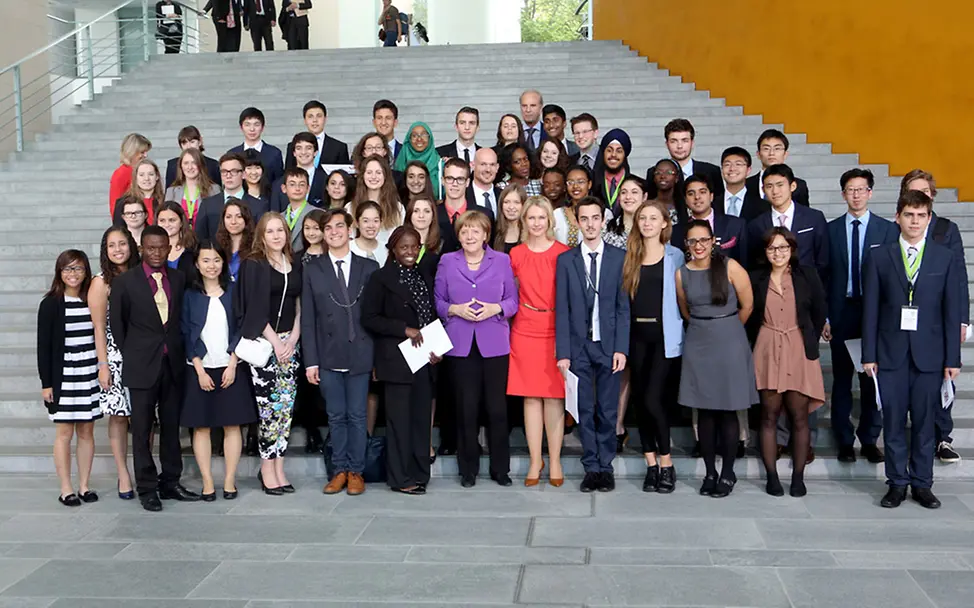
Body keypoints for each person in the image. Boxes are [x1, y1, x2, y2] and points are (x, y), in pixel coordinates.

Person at [863, 190, 961, 510]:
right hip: (890, 353)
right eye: (909, 215)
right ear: (898, 217)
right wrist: (868, 354)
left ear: (929, 219)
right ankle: (896, 483)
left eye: (921, 215)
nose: (915, 221)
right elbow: (871, 309)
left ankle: (922, 483)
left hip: (930, 356)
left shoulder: (943, 257)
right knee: (892, 423)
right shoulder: (880, 255)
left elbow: (951, 311)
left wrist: (952, 359)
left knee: (923, 423)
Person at [110, 226, 199, 511]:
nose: (157, 253)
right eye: (151, 248)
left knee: (172, 427)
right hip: (141, 366)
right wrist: (136, 353)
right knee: (142, 430)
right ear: (142, 249)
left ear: (169, 247)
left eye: (162, 247)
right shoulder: (126, 282)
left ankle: (170, 481)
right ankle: (147, 488)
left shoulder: (179, 277)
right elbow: (118, 326)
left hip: (172, 364)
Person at [435, 210, 517, 487]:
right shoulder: (447, 261)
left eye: (476, 231)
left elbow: (513, 302)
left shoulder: (502, 260)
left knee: (497, 409)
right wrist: (455, 309)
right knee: (466, 409)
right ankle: (467, 469)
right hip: (460, 345)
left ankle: (500, 469)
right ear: (458, 235)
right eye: (464, 231)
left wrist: (496, 308)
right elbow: (438, 302)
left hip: (494, 344)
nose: (470, 235)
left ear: (486, 235)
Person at [675, 220, 755, 498]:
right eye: (692, 241)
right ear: (686, 245)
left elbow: (748, 305)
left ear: (713, 242)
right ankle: (710, 471)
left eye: (703, 240)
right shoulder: (681, 273)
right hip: (698, 341)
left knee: (729, 409)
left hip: (730, 341)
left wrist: (727, 327)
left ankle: (728, 472)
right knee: (705, 411)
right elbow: (685, 310)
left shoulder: (730, 267)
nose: (698, 246)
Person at [555, 196, 629, 493]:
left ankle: (606, 466)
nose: (590, 224)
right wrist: (563, 353)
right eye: (584, 219)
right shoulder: (566, 260)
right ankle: (591, 467)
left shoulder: (618, 257)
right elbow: (562, 308)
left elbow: (624, 308)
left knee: (608, 410)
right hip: (579, 346)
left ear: (603, 220)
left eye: (595, 218)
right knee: (584, 408)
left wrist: (621, 348)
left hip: (608, 345)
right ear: (577, 221)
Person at [303, 209, 378, 496]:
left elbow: (373, 316)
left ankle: (357, 470)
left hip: (360, 352)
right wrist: (311, 361)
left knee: (358, 415)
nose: (334, 232)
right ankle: (339, 470)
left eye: (339, 226)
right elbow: (308, 318)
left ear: (350, 229)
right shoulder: (313, 268)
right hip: (328, 353)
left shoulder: (368, 267)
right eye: (328, 228)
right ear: (323, 234)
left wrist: (375, 357)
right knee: (335, 416)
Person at [824, 168, 896, 464]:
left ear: (870, 192)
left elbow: (893, 277)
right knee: (842, 379)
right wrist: (825, 316)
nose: (855, 194)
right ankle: (844, 439)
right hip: (842, 312)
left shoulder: (887, 230)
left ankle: (869, 438)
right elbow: (824, 276)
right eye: (850, 190)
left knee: (871, 379)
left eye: (861, 189)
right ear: (843, 194)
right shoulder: (830, 230)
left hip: (875, 314)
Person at [748, 228, 827, 497]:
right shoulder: (755, 278)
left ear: (792, 249)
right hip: (768, 348)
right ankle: (771, 476)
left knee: (799, 416)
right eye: (772, 248)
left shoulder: (807, 275)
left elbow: (818, 313)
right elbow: (750, 313)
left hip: (798, 347)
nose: (778, 253)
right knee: (768, 415)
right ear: (765, 252)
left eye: (783, 247)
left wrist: (806, 341)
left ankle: (798, 477)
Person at [363, 226, 439, 493]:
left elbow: (430, 316)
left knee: (420, 421)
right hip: (396, 361)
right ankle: (400, 478)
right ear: (393, 249)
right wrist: (403, 330)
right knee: (399, 423)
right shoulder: (380, 278)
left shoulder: (423, 276)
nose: (410, 252)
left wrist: (436, 348)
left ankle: (419, 474)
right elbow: (369, 318)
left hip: (423, 360)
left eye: (414, 247)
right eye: (404, 247)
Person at [901, 168, 969, 464]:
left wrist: (961, 320)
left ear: (932, 196)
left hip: (937, 319)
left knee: (943, 377)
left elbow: (959, 278)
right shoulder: (897, 227)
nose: (920, 197)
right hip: (902, 320)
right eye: (914, 191)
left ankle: (942, 436)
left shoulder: (946, 229)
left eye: (925, 192)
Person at [180, 241, 255, 500]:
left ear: (224, 262)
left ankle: (230, 481)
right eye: (206, 260)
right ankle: (208, 482)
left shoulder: (234, 291)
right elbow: (187, 332)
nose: (211, 266)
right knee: (201, 427)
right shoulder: (189, 295)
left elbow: (241, 327)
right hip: (199, 368)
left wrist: (233, 363)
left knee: (232, 425)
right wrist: (199, 369)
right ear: (197, 264)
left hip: (231, 367)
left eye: (216, 260)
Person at [235, 213, 302, 495]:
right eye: (270, 231)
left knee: (285, 410)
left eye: (280, 230)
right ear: (261, 236)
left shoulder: (294, 262)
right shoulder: (254, 265)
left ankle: (280, 466)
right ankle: (266, 468)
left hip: (291, 342)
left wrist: (295, 337)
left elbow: (300, 303)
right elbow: (252, 307)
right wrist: (276, 342)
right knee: (269, 410)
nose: (276, 236)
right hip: (266, 344)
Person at [621, 201, 684, 492]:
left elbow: (684, 298)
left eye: (653, 218)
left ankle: (667, 463)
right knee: (640, 402)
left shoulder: (676, 256)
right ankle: (651, 464)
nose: (646, 222)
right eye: (642, 218)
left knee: (652, 399)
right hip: (635, 336)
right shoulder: (629, 256)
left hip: (664, 335)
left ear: (664, 223)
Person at [508, 197, 569, 486]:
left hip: (555, 328)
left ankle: (555, 460)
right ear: (523, 221)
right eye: (530, 218)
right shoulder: (515, 255)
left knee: (554, 397)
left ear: (549, 221)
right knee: (530, 397)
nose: (535, 223)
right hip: (524, 328)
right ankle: (535, 460)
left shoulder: (564, 253)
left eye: (540, 218)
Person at [37, 250, 102, 507]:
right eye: (67, 269)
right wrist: (46, 384)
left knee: (87, 431)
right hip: (63, 375)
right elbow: (44, 347)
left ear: (86, 271)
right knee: (64, 432)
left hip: (89, 373)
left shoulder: (91, 299)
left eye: (77, 269)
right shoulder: (51, 303)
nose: (72, 274)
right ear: (59, 273)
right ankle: (66, 488)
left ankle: (85, 485)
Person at [89, 227, 140, 500]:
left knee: (144, 416)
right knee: (119, 416)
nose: (118, 249)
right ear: (105, 251)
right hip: (114, 357)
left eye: (122, 243)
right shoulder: (100, 282)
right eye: (112, 245)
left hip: (142, 354)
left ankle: (143, 469)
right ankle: (123, 473)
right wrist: (103, 364)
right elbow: (98, 327)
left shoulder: (141, 274)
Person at [747, 164, 828, 279]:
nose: (775, 191)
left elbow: (823, 260)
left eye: (780, 185)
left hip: (807, 287)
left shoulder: (814, 218)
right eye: (769, 186)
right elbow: (754, 263)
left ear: (793, 186)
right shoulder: (756, 225)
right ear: (763, 190)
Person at [673, 175, 747, 265]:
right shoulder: (676, 231)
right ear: (685, 200)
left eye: (702, 192)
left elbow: (745, 263)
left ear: (711, 196)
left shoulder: (735, 225)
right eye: (691, 194)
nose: (697, 197)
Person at [196, 153, 270, 241]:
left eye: (234, 171)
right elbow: (199, 238)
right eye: (224, 172)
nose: (228, 176)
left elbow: (261, 239)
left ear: (243, 174)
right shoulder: (207, 204)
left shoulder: (259, 206)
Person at [437, 158, 493, 254]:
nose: (455, 184)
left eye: (460, 179)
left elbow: (490, 252)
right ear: (442, 181)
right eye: (450, 178)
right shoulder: (433, 214)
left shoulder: (485, 214)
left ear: (467, 182)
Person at [662, 118, 724, 203]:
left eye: (685, 141)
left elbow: (719, 205)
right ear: (667, 144)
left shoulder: (711, 171)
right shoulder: (655, 173)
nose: (679, 146)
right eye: (674, 141)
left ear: (692, 143)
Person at [349, 156, 404, 249]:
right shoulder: (350, 207)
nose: (373, 177)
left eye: (378, 172)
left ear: (385, 176)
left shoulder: (398, 208)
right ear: (363, 176)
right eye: (369, 172)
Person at [746, 129, 810, 206]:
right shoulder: (746, 185)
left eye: (777, 148)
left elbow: (804, 214)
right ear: (758, 154)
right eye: (766, 149)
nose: (771, 153)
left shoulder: (799, 185)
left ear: (785, 154)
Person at [165, 148, 221, 228]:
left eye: (194, 163)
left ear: (200, 165)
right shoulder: (172, 191)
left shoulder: (214, 190)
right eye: (186, 163)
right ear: (181, 166)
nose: (190, 167)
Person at [229, 107, 284, 186]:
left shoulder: (274, 153)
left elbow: (278, 182)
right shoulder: (233, 154)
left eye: (256, 124)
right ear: (241, 127)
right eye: (247, 125)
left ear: (262, 127)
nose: (252, 129)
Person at [286, 101, 350, 169]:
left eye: (319, 116)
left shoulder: (339, 147)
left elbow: (344, 176)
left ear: (325, 119)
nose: (315, 120)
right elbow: (288, 173)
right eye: (310, 116)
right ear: (305, 120)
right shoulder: (293, 146)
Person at [275, 134, 326, 211]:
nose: (303, 152)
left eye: (308, 148)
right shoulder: (279, 183)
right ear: (294, 153)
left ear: (315, 152)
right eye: (299, 148)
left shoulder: (326, 180)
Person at [719, 146, 768, 222]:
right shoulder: (712, 204)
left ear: (748, 170)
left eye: (738, 164)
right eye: (727, 164)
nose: (732, 169)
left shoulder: (763, 206)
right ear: (722, 170)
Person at [109, 133, 151, 217]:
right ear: (131, 152)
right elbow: (115, 205)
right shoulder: (122, 173)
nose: (145, 155)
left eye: (146, 152)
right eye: (142, 152)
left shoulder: (140, 169)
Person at [591, 128, 632, 213]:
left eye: (619, 151)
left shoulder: (636, 184)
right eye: (609, 150)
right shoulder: (592, 181)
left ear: (625, 155)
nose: (613, 154)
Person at [394, 122, 441, 195]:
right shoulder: (401, 161)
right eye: (414, 135)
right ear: (408, 139)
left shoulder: (440, 164)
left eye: (424, 134)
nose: (419, 139)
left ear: (430, 138)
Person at [276, 167, 315, 254]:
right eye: (292, 184)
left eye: (301, 184)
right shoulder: (279, 217)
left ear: (308, 188)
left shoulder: (317, 214)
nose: (297, 188)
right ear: (284, 188)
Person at [113, 159, 164, 226]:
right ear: (135, 178)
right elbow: (118, 230)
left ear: (157, 177)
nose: (146, 178)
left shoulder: (165, 200)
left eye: (151, 174)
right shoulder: (122, 203)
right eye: (141, 175)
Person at [215, 199, 255, 283]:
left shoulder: (255, 247)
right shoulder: (216, 247)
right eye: (228, 217)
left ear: (246, 219)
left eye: (239, 216)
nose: (233, 222)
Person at [602, 175, 647, 250]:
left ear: (644, 197)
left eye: (634, 192)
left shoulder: (651, 227)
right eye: (623, 192)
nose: (628, 197)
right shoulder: (607, 228)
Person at [554, 166, 593, 247]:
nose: (575, 186)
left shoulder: (604, 213)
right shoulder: (557, 214)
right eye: (570, 182)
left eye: (581, 182)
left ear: (589, 184)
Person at [156, 201, 198, 277]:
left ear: (181, 222)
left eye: (172, 220)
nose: (167, 224)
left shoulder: (194, 247)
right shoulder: (151, 248)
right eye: (162, 220)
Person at [645, 158, 688, 229]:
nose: (663, 176)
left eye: (669, 173)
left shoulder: (686, 208)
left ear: (677, 178)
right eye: (658, 173)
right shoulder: (647, 206)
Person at [348, 201, 388, 267]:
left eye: (376, 221)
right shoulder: (348, 248)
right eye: (365, 221)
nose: (371, 225)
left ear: (381, 222)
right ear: (357, 223)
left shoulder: (386, 249)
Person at [405, 197, 441, 269]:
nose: (421, 216)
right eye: (416, 211)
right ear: (410, 214)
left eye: (427, 211)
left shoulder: (442, 243)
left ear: (433, 215)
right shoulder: (399, 242)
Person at [466, 148, 502, 216]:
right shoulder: (462, 195)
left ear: (497, 167)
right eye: (483, 164)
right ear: (472, 165)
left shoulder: (503, 196)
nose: (488, 170)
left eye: (492, 165)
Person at [493, 184, 526, 254]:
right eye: (506, 202)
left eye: (516, 202)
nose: (511, 207)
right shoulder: (493, 230)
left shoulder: (530, 231)